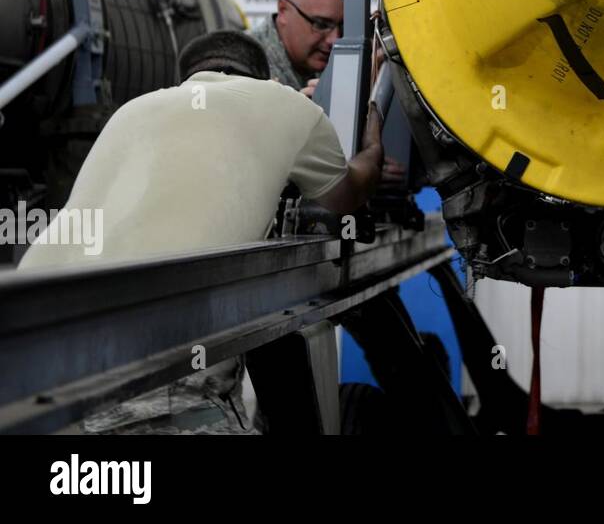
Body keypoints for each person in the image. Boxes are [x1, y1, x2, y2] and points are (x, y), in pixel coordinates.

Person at [18, 30, 384, 433]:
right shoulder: (287, 104)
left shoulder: (135, 108)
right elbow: (349, 194)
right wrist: (374, 133)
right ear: (267, 78)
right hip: (156, 364)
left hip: (35, 350)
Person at [248, 0, 344, 98]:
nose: (334, 39)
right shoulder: (240, 66)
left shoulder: (342, 67)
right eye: (321, 24)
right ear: (283, 10)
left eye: (343, 25)